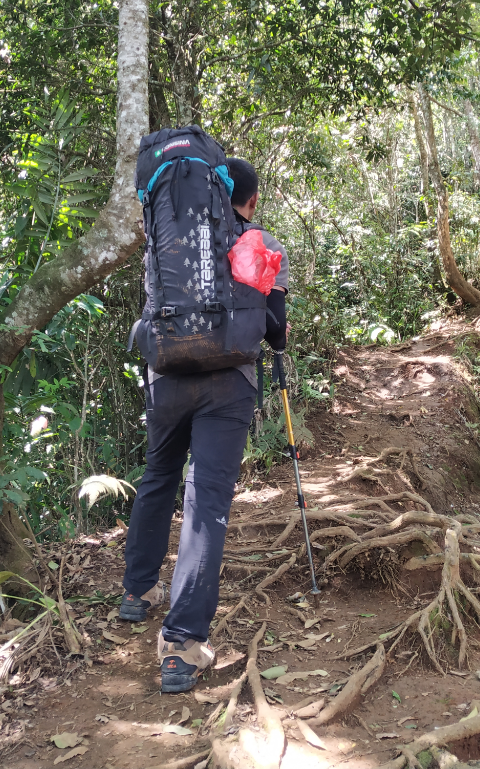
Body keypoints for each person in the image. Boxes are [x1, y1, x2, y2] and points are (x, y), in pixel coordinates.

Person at [121, 157, 288, 693]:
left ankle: (137, 591)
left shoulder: (176, 236)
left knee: (158, 477)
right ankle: (181, 647)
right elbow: (275, 330)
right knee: (206, 499)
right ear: (250, 200)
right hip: (228, 385)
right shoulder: (257, 242)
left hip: (166, 376)